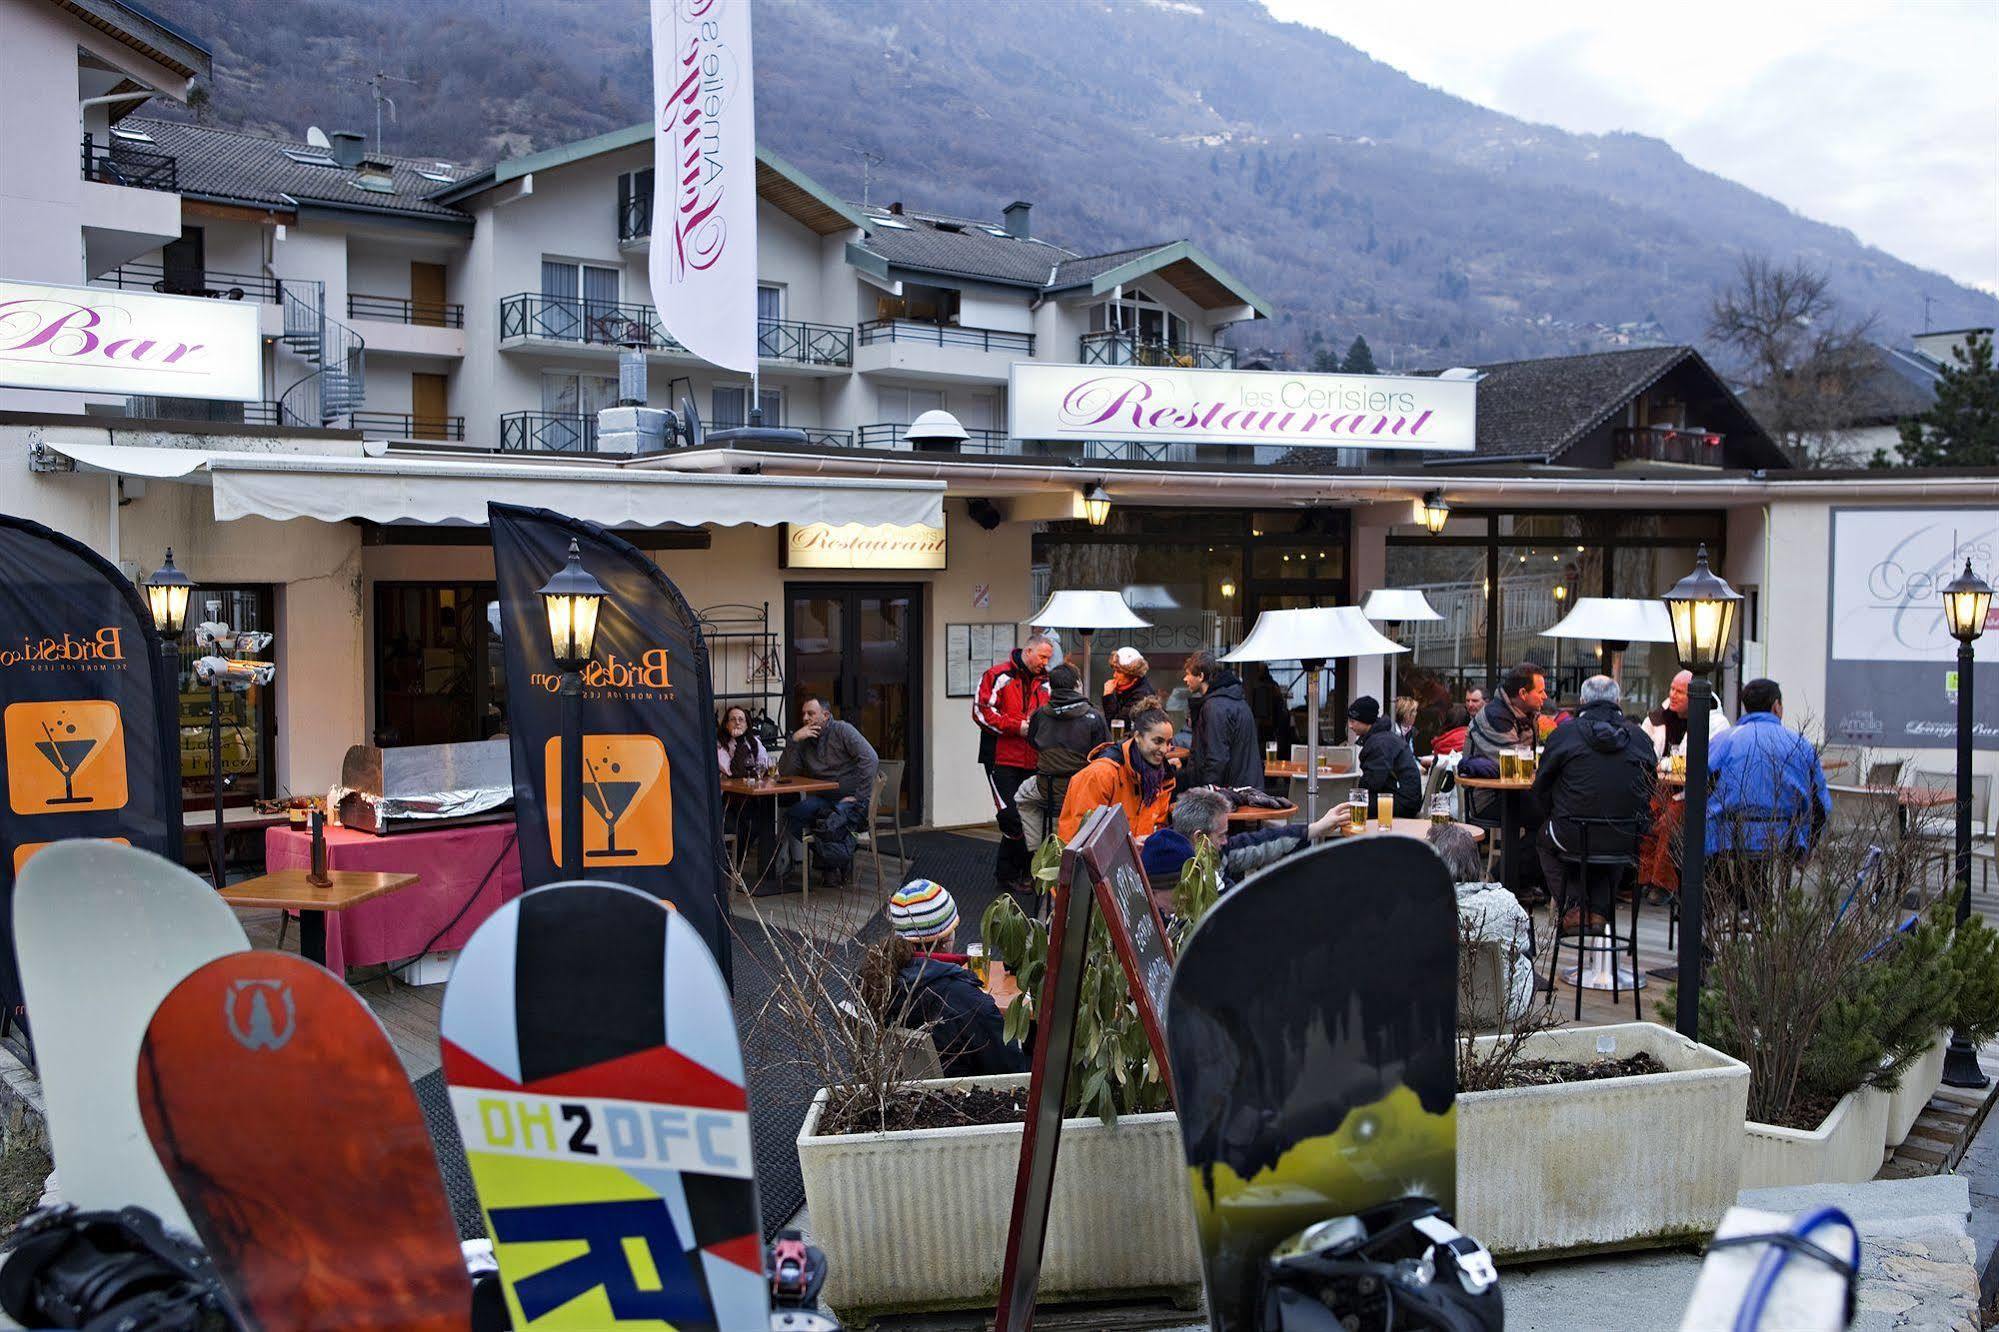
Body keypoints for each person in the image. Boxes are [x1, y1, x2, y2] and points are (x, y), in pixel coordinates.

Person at [865, 880, 1027, 1079]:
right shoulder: (967, 1001)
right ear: (947, 936)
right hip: (960, 1097)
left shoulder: (871, 977)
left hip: (895, 1089)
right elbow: (1012, 1070)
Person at [1531, 675, 1656, 929]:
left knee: (1547, 839)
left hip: (1573, 832)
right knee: (1615, 841)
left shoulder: (1564, 734)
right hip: (1625, 835)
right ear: (1618, 701)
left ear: (1582, 701)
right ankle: (1599, 911)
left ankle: (1574, 906)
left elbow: (1541, 785)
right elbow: (1650, 788)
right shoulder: (1640, 738)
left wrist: (1556, 811)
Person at [1706, 677, 1830, 873]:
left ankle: (1733, 898)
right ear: (1776, 706)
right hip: (1783, 838)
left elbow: (1701, 788)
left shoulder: (1723, 741)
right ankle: (1751, 901)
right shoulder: (1800, 744)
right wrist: (1808, 845)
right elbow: (1821, 805)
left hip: (1726, 838)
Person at [1141, 786, 1350, 890]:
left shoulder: (1214, 852)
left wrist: (1317, 828)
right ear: (1198, 837)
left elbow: (1260, 843)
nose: (1225, 841)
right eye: (1221, 835)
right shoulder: (1167, 871)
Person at [974, 635, 1054, 893]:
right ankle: (1016, 872)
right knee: (1011, 816)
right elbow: (981, 711)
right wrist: (1017, 727)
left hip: (1033, 760)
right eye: (1042, 656)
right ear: (1028, 651)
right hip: (1001, 759)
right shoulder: (997, 675)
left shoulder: (1047, 682)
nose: (1045, 662)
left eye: (1048, 658)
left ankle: (1011, 874)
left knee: (1029, 817)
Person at [777, 695, 879, 885]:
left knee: (833, 821)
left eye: (811, 713)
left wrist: (859, 797)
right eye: (803, 714)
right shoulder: (804, 740)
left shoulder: (842, 730)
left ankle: (833, 864)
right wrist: (794, 741)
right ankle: (835, 860)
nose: (806, 718)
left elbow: (870, 758)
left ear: (825, 715)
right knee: (794, 816)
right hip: (824, 798)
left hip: (851, 799)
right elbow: (786, 773)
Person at [1058, 706, 1177, 842]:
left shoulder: (1164, 778)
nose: (1164, 749)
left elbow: (1159, 825)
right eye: (1158, 741)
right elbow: (1080, 836)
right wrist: (1130, 845)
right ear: (1138, 736)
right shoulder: (1101, 774)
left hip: (1138, 859)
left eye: (1169, 743)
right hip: (1098, 859)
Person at [1027, 664, 1109, 825]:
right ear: (1078, 684)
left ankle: (1039, 846)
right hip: (1081, 788)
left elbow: (1032, 742)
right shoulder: (1093, 716)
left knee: (1021, 798)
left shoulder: (1040, 714)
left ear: (1051, 687)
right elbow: (1103, 754)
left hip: (1046, 787)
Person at [1180, 646, 1260, 790]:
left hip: (1230, 792)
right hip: (1244, 786)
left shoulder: (1215, 706)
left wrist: (1206, 792)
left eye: (1188, 674)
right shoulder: (1233, 699)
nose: (1185, 679)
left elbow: (1217, 757)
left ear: (1201, 676)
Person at [717, 703, 773, 872]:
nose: (737, 723)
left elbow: (766, 765)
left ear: (747, 724)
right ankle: (731, 866)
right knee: (740, 827)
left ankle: (738, 866)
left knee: (758, 825)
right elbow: (733, 772)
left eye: (741, 719)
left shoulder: (754, 742)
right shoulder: (720, 744)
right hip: (728, 798)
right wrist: (740, 742)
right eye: (732, 719)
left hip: (751, 797)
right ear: (726, 724)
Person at [1348, 695, 1422, 818]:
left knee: (1353, 806)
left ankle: (1348, 836)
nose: (1350, 726)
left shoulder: (1379, 743)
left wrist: (1354, 790)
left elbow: (1373, 782)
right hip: (1405, 798)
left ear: (1365, 721)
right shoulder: (1381, 738)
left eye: (1353, 721)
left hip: (1403, 803)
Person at [1642, 669, 1733, 760]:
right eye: (1672, 689)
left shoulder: (1715, 724)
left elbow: (1700, 761)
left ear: (1695, 695)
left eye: (1680, 692)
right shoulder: (1655, 721)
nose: (1673, 695)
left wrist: (1664, 765)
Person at [1101, 646, 1155, 731]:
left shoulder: (1141, 697)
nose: (1114, 675)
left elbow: (1116, 724)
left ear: (1133, 676)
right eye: (1114, 670)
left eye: (1119, 672)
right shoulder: (1125, 688)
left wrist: (1108, 697)